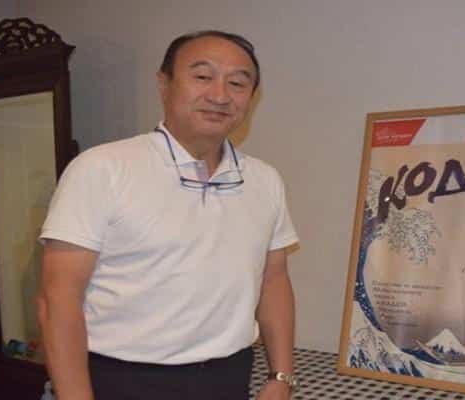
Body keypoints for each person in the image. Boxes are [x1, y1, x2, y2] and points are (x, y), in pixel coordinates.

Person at [36, 30, 299, 400]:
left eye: (238, 83)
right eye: (203, 76)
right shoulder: (102, 168)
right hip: (119, 381)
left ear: (251, 98)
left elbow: (274, 279)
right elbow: (57, 298)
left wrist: (281, 376)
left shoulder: (264, 180)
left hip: (228, 378)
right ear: (164, 85)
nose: (220, 95)